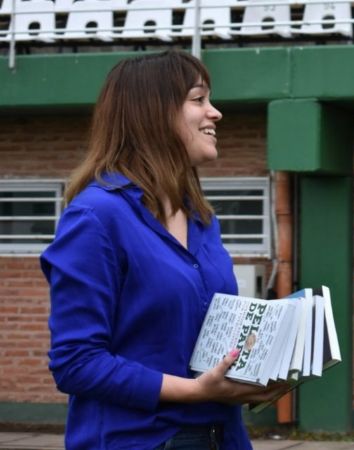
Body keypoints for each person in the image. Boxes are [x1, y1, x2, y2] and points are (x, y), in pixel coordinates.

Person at [41, 50, 289, 450]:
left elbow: (198, 338)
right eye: (198, 99)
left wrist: (256, 368)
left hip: (224, 438)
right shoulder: (97, 218)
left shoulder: (200, 220)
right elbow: (76, 363)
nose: (215, 113)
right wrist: (197, 391)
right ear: (152, 112)